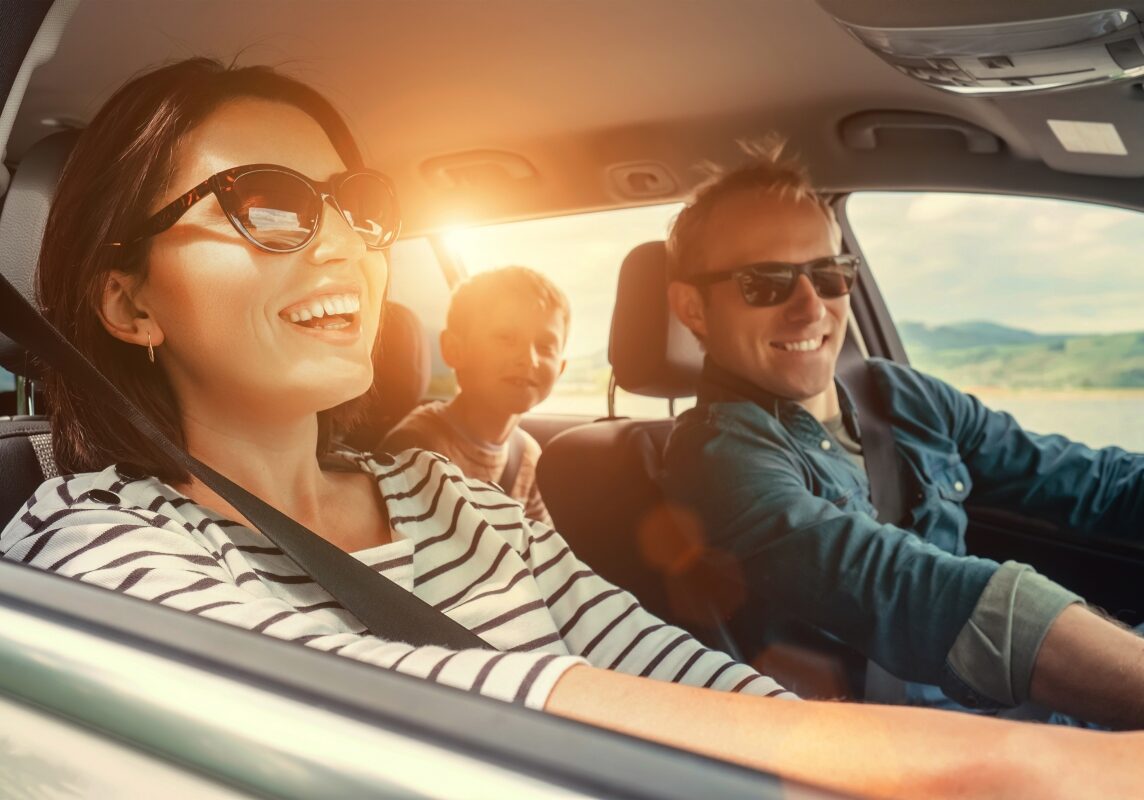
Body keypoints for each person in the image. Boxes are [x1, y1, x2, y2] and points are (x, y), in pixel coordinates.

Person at [1, 59, 1141, 800]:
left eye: (356, 205)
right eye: (268, 205)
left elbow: (685, 679)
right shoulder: (93, 543)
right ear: (129, 301)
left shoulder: (455, 498)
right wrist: (1015, 761)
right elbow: (396, 701)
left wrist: (849, 768)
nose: (345, 243)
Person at [662, 136, 1144, 729]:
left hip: (1010, 706)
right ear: (691, 310)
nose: (811, 308)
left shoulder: (896, 395)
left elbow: (1086, 480)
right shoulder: (716, 456)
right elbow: (903, 587)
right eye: (765, 282)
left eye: (830, 274)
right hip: (922, 745)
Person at [381, 266, 567, 524]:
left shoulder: (527, 454)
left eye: (546, 346)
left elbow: (542, 550)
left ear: (561, 368)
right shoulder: (416, 448)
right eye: (506, 338)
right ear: (454, 350)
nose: (529, 359)